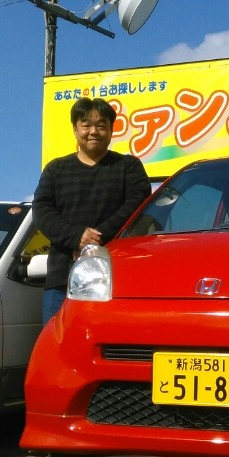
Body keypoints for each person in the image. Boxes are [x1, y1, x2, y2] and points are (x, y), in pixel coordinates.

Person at [33, 97, 151, 324]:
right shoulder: (56, 169)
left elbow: (136, 206)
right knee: (57, 341)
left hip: (116, 280)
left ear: (111, 130)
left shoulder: (129, 167)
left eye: (101, 125)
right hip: (62, 281)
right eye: (86, 125)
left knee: (112, 341)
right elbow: (42, 211)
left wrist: (93, 241)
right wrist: (76, 237)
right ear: (75, 129)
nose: (93, 131)